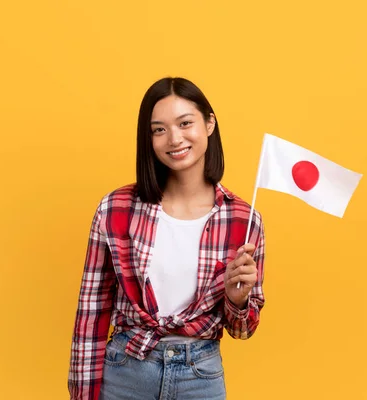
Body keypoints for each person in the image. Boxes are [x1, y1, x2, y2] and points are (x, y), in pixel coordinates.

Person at [68, 77, 266, 400]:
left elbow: (242, 330)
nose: (174, 139)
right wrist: (82, 395)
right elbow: (91, 311)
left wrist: (237, 299)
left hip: (199, 377)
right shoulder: (116, 209)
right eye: (159, 129)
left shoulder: (243, 220)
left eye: (185, 123)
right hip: (126, 372)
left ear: (209, 123)